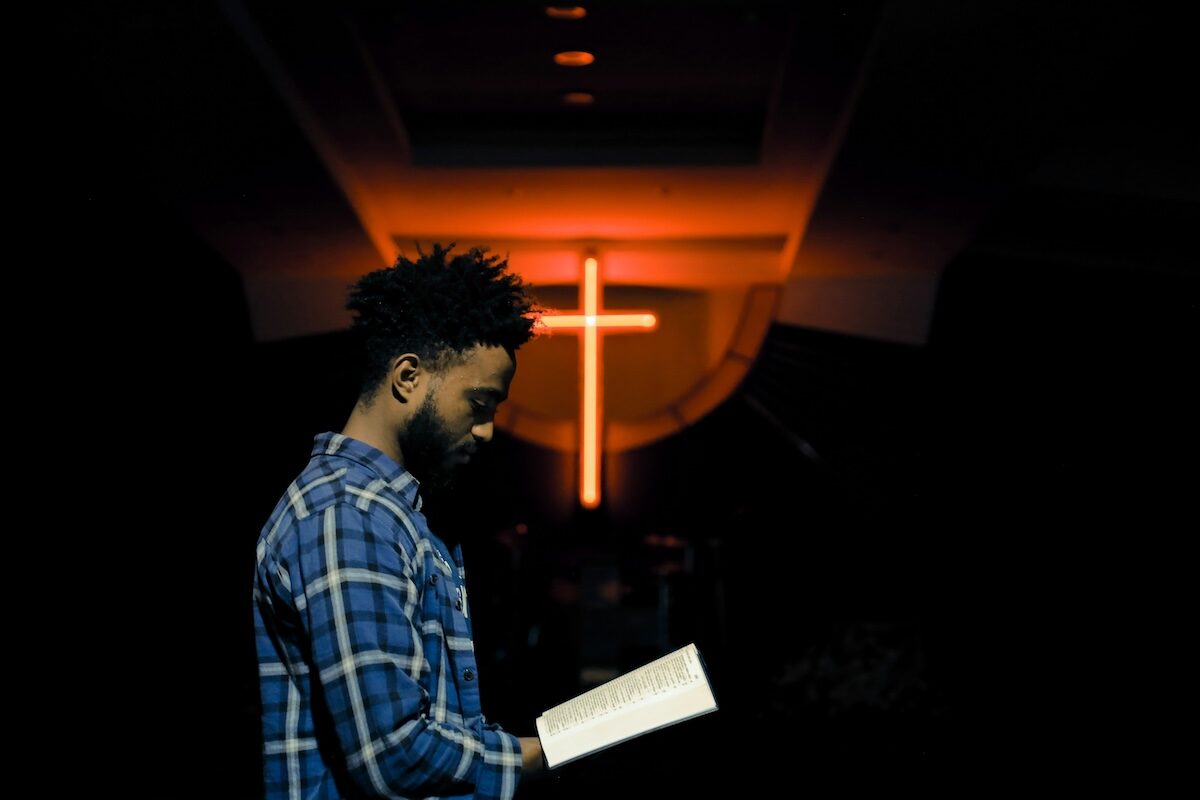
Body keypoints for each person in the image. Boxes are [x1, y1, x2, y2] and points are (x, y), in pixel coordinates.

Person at [253, 244, 544, 799]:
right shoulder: (347, 516)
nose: (485, 430)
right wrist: (541, 751)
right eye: (478, 404)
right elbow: (394, 752)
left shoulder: (391, 512)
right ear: (408, 377)